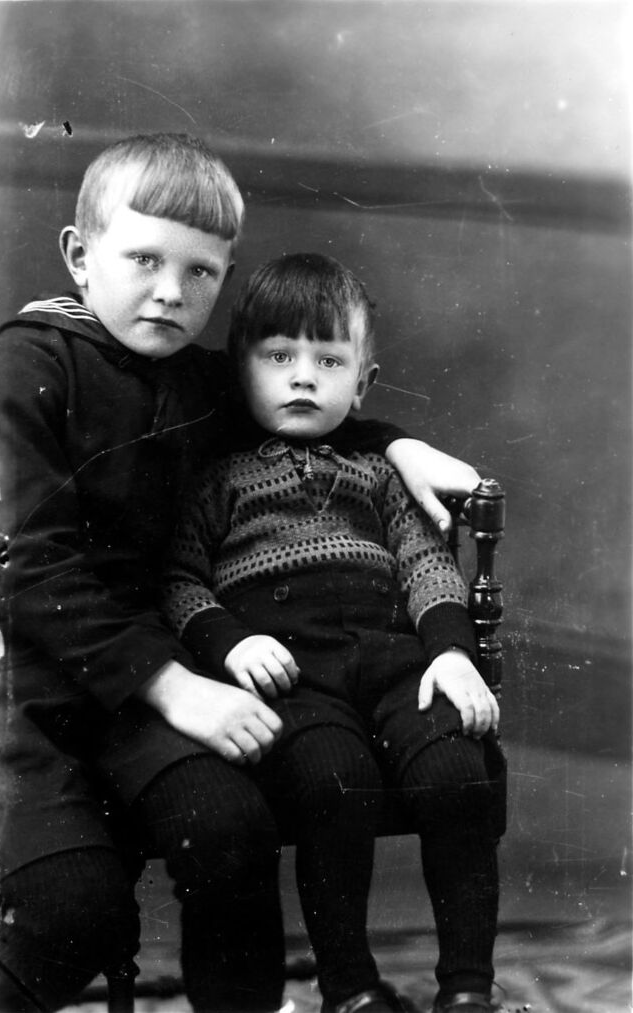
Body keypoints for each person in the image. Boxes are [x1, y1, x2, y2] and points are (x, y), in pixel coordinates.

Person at [0, 134, 482, 1013]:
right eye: (144, 259)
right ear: (79, 254)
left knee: (229, 825)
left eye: (201, 272)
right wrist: (176, 687)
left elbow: (307, 407)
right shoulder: (28, 363)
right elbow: (28, 570)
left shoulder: (199, 378)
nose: (170, 292)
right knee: (72, 909)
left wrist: (398, 445)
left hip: (157, 690)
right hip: (49, 694)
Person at [161, 253, 507, 1013]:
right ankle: (350, 987)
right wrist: (229, 642)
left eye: (328, 360)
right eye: (278, 356)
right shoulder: (216, 479)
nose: (302, 378)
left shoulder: (377, 472)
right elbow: (179, 579)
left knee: (458, 771)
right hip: (295, 680)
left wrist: (452, 653)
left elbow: (426, 563)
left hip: (394, 663)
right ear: (240, 369)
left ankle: (467, 988)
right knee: (332, 778)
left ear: (363, 383)